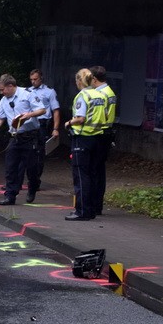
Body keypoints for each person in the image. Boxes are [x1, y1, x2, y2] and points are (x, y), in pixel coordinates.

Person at [0, 74, 46, 205]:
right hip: (15, 137)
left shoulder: (27, 94)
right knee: (10, 167)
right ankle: (10, 195)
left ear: (11, 86)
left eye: (3, 90)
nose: (1, 92)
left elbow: (42, 110)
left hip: (30, 136)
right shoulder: (3, 101)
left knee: (32, 168)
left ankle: (33, 188)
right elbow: (0, 119)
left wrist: (28, 115)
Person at [63, 68, 108, 220]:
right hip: (97, 138)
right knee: (92, 174)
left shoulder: (83, 95)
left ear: (79, 81)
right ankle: (92, 209)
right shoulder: (100, 95)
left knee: (81, 176)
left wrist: (68, 122)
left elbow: (80, 118)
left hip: (82, 138)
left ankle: (82, 211)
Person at [87, 65, 117, 215]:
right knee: (99, 170)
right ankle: (97, 204)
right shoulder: (109, 91)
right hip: (106, 132)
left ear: (94, 78)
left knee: (94, 171)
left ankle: (94, 204)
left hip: (99, 133)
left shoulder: (101, 94)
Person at [26, 69, 60, 190]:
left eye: (35, 79)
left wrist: (55, 128)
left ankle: (36, 181)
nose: (33, 81)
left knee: (39, 153)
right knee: (28, 151)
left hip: (42, 123)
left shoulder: (49, 92)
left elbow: (55, 110)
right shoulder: (27, 91)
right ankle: (27, 179)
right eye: (31, 79)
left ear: (41, 78)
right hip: (29, 123)